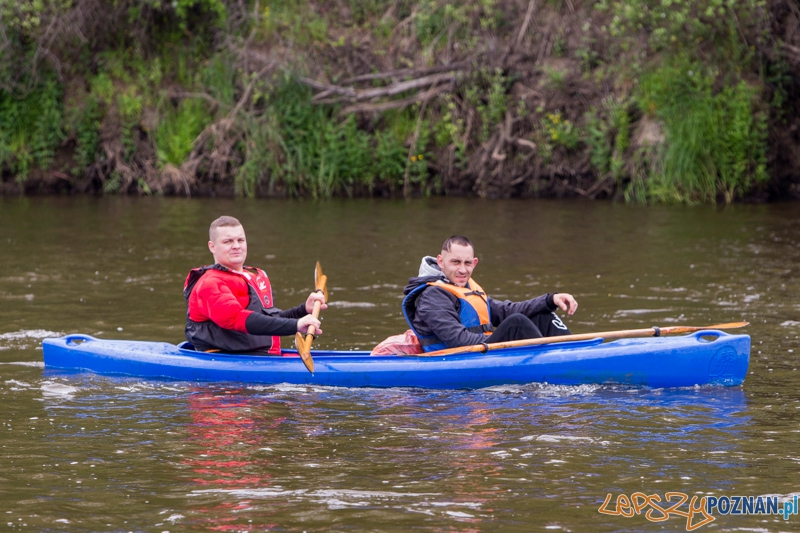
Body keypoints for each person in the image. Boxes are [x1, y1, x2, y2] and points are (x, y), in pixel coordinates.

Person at [402, 235, 578, 352]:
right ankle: (553, 363)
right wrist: (500, 340)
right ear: (441, 261)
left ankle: (575, 352)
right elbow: (458, 340)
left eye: (467, 263)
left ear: (474, 263)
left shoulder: (466, 288)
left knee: (543, 315)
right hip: (458, 357)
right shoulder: (432, 296)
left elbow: (507, 310)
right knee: (517, 323)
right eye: (455, 262)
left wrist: (549, 300)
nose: (462, 269)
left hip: (482, 351)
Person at [184, 216, 326, 354]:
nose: (236, 246)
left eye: (240, 240)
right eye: (228, 241)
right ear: (212, 246)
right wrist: (295, 325)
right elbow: (236, 318)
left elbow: (269, 320)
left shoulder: (253, 276)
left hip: (260, 356)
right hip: (225, 359)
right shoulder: (210, 284)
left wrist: (303, 310)